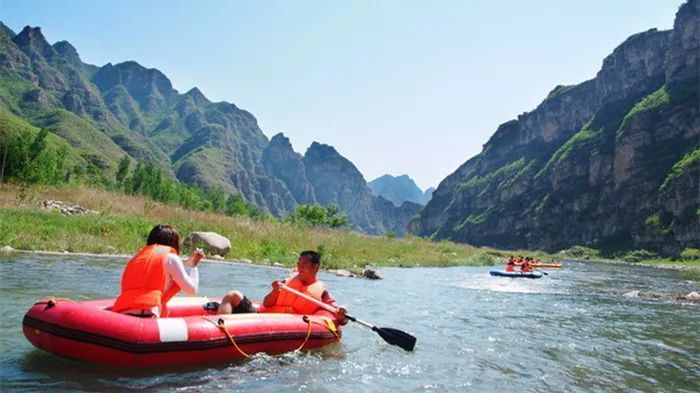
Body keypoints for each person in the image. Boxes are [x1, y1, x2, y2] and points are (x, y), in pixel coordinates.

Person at [217, 251, 347, 324]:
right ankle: (220, 327)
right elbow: (267, 304)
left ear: (315, 267)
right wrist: (275, 290)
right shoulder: (287, 283)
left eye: (304, 265)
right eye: (298, 264)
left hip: (282, 327)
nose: (300, 268)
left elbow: (341, 318)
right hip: (261, 320)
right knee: (233, 295)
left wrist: (342, 313)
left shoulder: (322, 294)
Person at [112, 224, 205, 318]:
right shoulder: (171, 258)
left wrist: (187, 264)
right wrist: (193, 265)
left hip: (122, 315)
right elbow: (191, 290)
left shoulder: (136, 258)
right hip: (147, 315)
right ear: (174, 243)